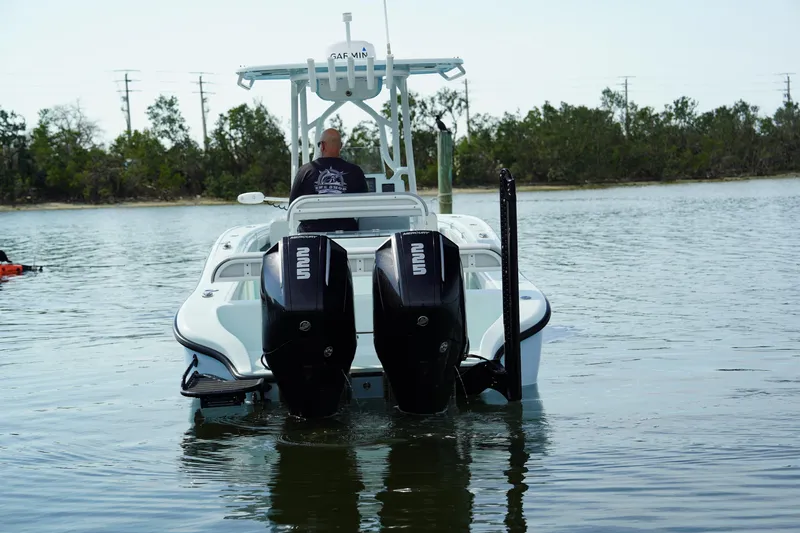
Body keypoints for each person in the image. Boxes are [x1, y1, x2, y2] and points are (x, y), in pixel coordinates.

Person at [289, 128, 369, 232]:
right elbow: (364, 206)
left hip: (312, 233)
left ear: (322, 146)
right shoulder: (355, 171)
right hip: (347, 232)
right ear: (340, 146)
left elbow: (293, 206)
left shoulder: (305, 170)